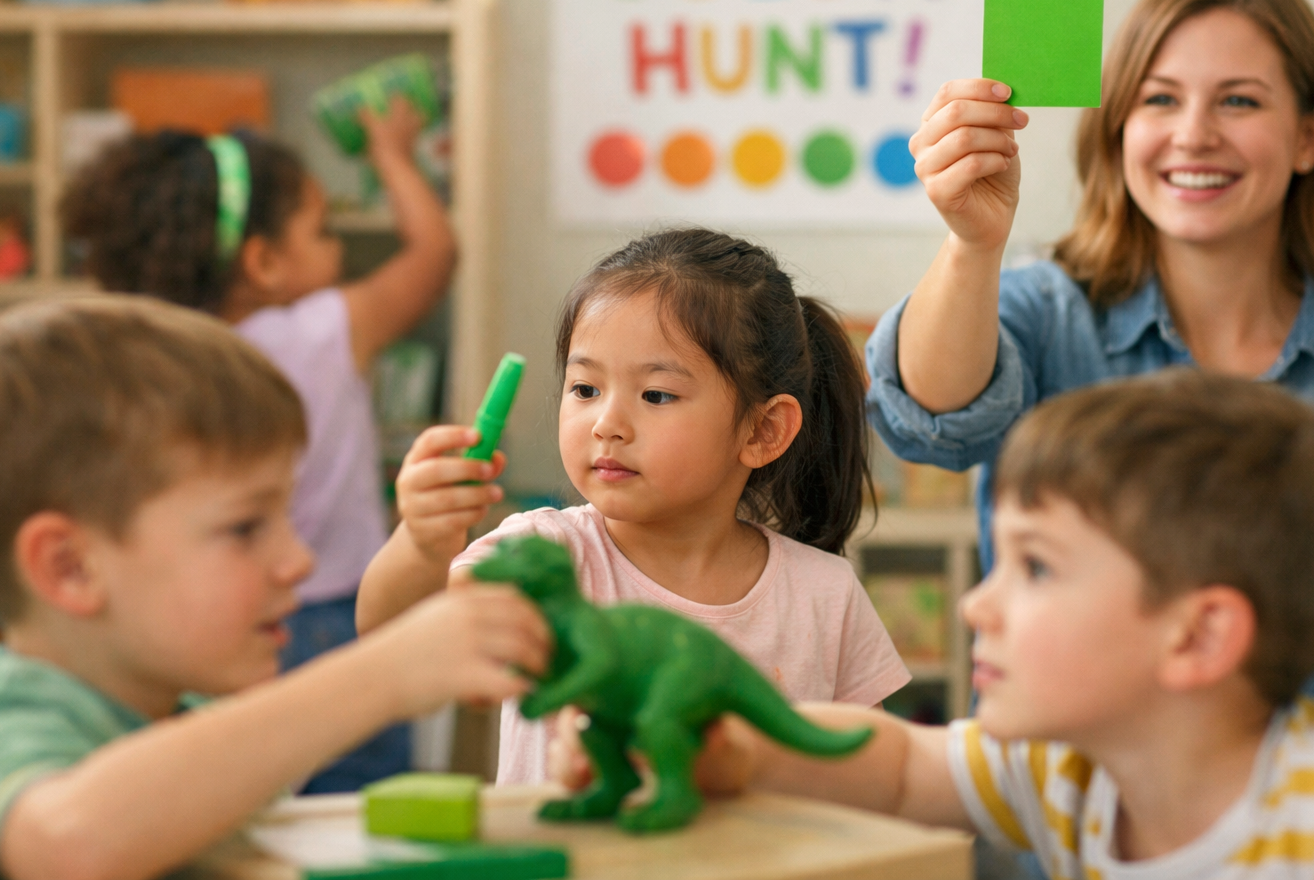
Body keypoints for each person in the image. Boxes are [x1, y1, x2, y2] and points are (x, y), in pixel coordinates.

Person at [865, 0, 1314, 838]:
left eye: (1239, 102)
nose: (1194, 134)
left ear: (1312, 136)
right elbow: (928, 426)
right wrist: (971, 243)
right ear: (1119, 125)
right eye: (1160, 100)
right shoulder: (1047, 314)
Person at [560, 373, 1314, 877]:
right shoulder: (1075, 768)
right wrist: (737, 755)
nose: (979, 605)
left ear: (1198, 637)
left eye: (1038, 567)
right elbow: (900, 765)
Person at [0, 295, 549, 880]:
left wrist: (425, 549)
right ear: (71, 567)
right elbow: (66, 843)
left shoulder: (191, 709)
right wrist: (386, 674)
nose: (298, 560)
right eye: (245, 527)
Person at [357, 227, 911, 783]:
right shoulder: (542, 554)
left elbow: (875, 781)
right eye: (585, 389)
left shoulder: (826, 594)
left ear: (764, 430)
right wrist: (421, 542)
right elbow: (392, 639)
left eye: (656, 395)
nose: (606, 425)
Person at [61, 99, 459, 790]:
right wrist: (391, 151)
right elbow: (435, 253)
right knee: (355, 825)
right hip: (339, 613)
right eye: (322, 229)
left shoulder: (148, 358)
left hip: (208, 621)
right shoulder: (326, 329)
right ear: (265, 261)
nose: (336, 247)